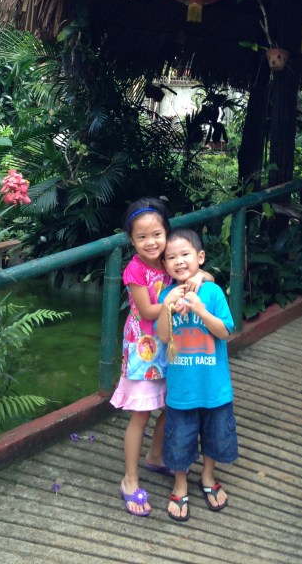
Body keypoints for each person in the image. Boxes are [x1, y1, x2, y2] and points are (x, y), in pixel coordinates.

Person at [110, 198, 210, 516]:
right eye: (142, 237)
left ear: (166, 232)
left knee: (171, 403)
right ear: (131, 240)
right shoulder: (135, 270)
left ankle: (155, 456)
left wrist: (199, 277)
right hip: (145, 349)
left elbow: (203, 274)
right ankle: (129, 479)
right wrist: (172, 299)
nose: (151, 242)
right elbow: (147, 311)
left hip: (173, 347)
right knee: (141, 414)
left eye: (157, 234)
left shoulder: (169, 260)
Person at [156, 228, 238, 523]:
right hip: (182, 389)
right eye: (171, 257)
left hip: (214, 387)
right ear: (165, 264)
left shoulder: (212, 292)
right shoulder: (167, 294)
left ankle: (207, 476)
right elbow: (163, 336)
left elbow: (225, 331)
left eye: (185, 254)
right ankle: (180, 484)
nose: (179, 261)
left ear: (200, 257)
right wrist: (167, 307)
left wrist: (201, 311)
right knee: (179, 439)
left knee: (215, 436)